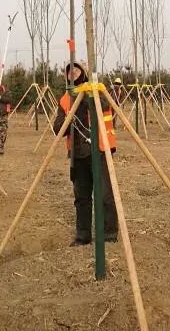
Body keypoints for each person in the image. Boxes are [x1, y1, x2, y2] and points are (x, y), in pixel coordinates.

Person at [52, 61, 118, 246]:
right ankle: (83, 236)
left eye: (76, 69)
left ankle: (109, 234)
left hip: (99, 151)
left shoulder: (96, 91)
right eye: (68, 71)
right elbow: (57, 128)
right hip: (78, 154)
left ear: (83, 72)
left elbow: (107, 107)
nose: (72, 72)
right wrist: (67, 118)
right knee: (81, 198)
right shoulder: (65, 99)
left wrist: (90, 94)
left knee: (105, 195)